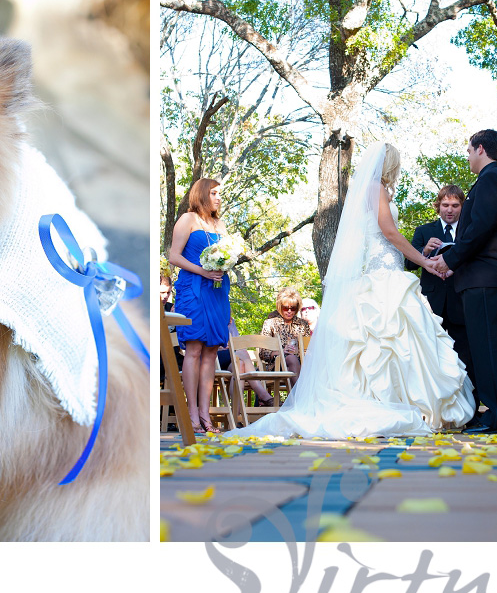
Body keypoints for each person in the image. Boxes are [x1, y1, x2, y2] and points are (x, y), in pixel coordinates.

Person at [222, 142, 474, 440]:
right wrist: (425, 262)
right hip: (383, 275)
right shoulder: (374, 188)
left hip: (389, 272)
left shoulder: (375, 190)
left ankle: (407, 405)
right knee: (385, 341)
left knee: (392, 342)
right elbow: (389, 232)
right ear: (390, 164)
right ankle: (395, 405)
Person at [432, 130, 497, 433]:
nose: (468, 156)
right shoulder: (495, 179)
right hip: (490, 276)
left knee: (490, 349)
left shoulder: (491, 178)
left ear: (481, 149)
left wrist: (451, 259)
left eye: (469, 150)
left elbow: (480, 228)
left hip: (486, 277)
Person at [168, 178, 231, 435]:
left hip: (217, 290)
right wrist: (203, 272)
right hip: (193, 288)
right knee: (193, 349)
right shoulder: (187, 219)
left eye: (220, 193)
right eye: (214, 193)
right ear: (202, 194)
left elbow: (228, 253)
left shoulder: (219, 223)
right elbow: (173, 255)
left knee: (211, 352)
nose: (218, 197)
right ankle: (191, 415)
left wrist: (225, 265)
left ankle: (207, 416)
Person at [406, 185, 477, 404]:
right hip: (431, 304)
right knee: (431, 357)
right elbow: (408, 263)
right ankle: (432, 407)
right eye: (445, 205)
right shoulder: (424, 231)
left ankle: (469, 409)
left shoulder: (470, 231)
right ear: (438, 206)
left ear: (462, 207)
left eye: (455, 205)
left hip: (462, 302)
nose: (450, 210)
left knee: (465, 357)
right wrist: (425, 251)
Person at [260, 287, 312, 385]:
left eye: (293, 308)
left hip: (300, 363)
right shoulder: (270, 323)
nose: (289, 311)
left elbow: (308, 349)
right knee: (291, 358)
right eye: (285, 308)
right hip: (275, 365)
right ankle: (299, 397)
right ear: (280, 307)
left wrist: (298, 351)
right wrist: (282, 351)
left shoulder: (303, 324)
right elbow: (263, 352)